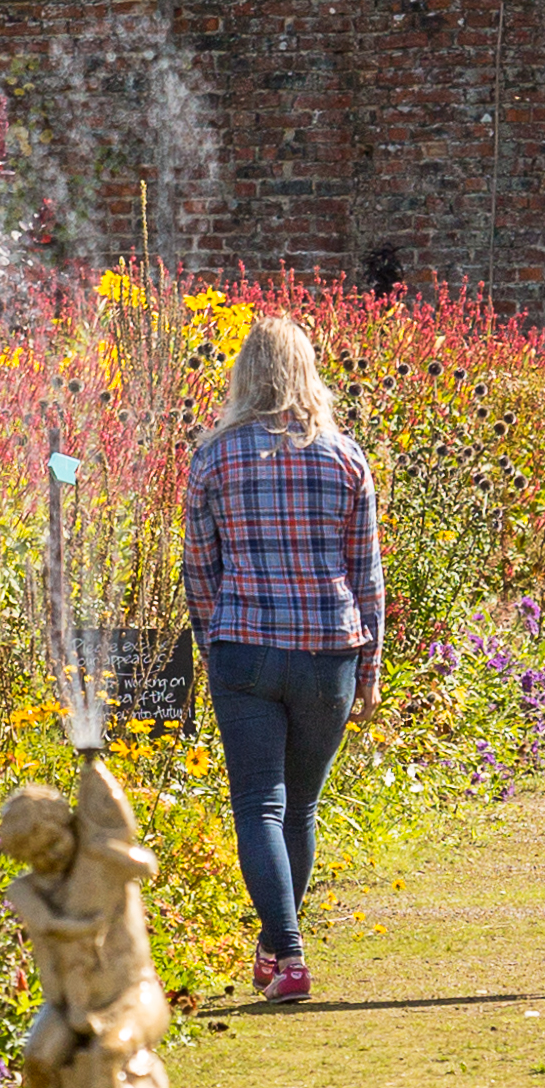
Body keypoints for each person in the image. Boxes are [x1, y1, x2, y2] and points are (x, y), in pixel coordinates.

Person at [180, 313, 382, 1007]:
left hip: (245, 646)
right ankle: (280, 948)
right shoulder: (344, 456)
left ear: (243, 375)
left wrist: (213, 643)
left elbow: (197, 568)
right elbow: (367, 573)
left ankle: (284, 950)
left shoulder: (214, 457)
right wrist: (372, 665)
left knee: (259, 805)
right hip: (329, 649)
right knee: (300, 808)